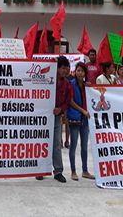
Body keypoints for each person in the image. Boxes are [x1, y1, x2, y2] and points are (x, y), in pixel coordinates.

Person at [36, 55, 71, 183]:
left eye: (66, 68)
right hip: (43, 117)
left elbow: (67, 102)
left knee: (56, 144)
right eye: (62, 68)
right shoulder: (46, 80)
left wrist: (60, 109)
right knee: (42, 142)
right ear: (56, 68)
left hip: (56, 117)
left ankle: (58, 171)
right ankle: (40, 170)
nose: (65, 71)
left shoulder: (67, 84)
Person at [66, 62, 95, 181]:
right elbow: (71, 101)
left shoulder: (87, 86)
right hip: (75, 118)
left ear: (85, 73)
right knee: (73, 145)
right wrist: (83, 111)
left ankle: (85, 170)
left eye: (82, 71)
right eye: (78, 70)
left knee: (84, 146)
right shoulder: (71, 84)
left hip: (84, 118)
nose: (80, 73)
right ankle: (73, 171)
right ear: (75, 71)